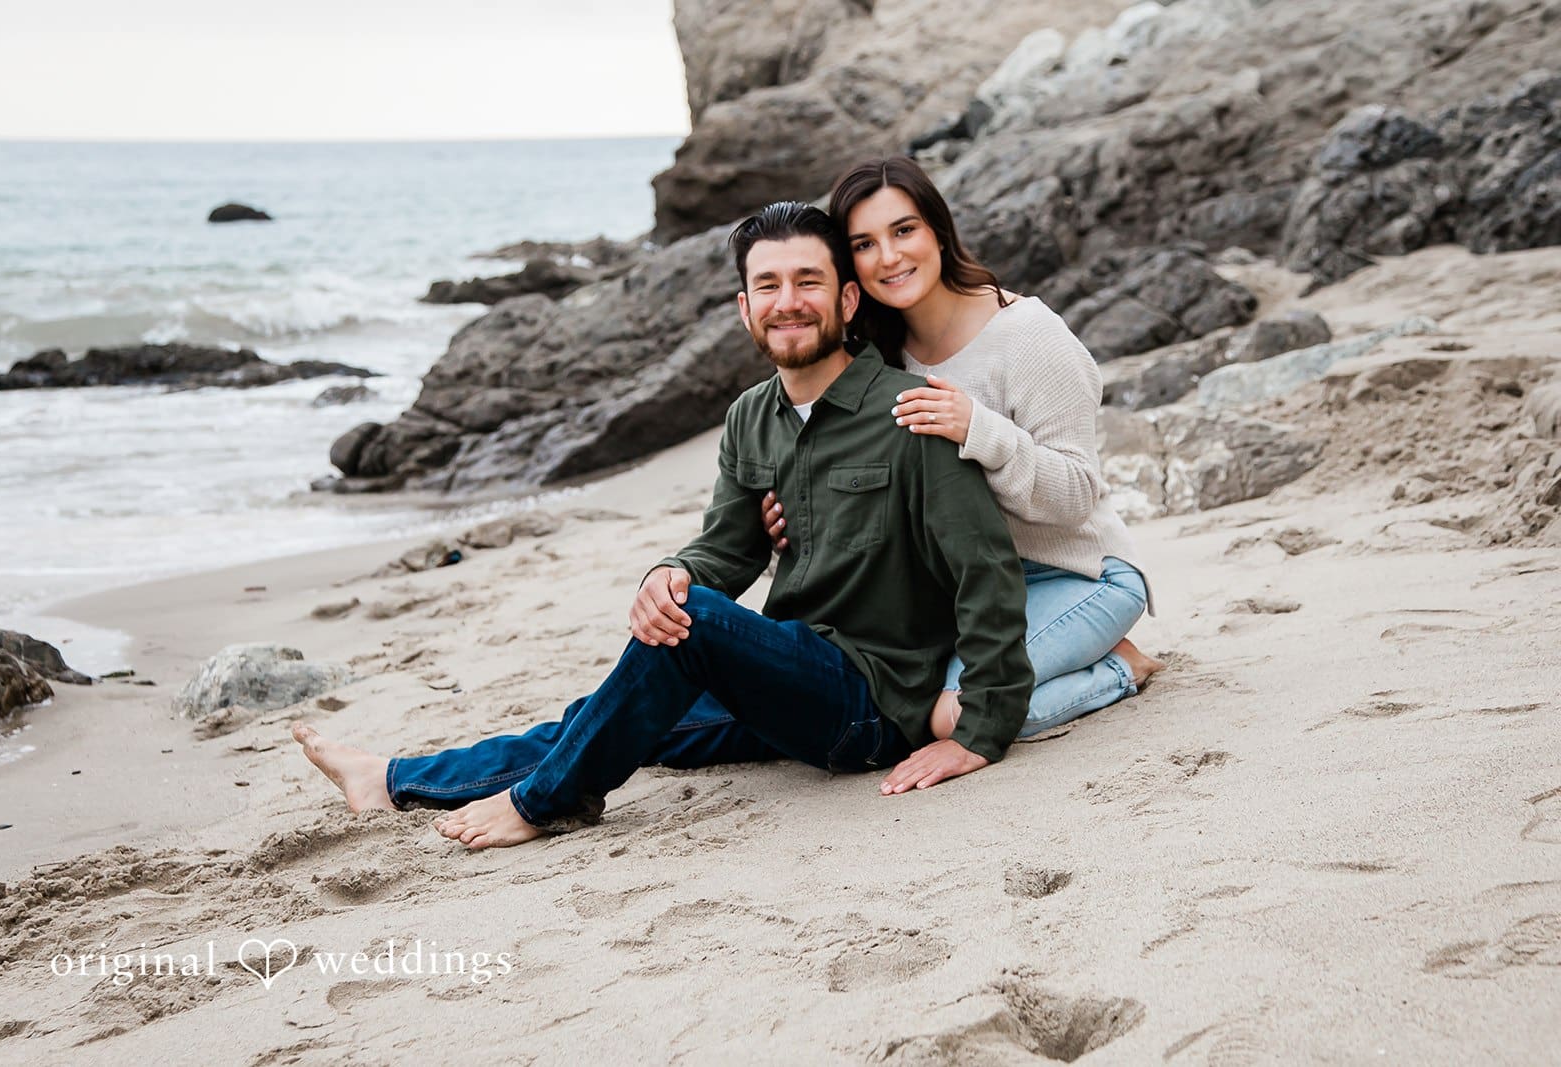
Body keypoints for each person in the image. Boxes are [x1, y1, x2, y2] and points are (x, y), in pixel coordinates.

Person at [292, 201, 1034, 849]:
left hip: (870, 704)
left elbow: (987, 571)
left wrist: (980, 734)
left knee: (687, 626)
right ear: (745, 309)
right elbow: (727, 547)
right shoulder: (751, 416)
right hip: (783, 678)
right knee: (605, 716)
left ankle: (540, 805)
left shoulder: (912, 409)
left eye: (808, 282)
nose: (789, 301)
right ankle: (391, 780)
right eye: (767, 285)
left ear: (845, 299)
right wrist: (665, 573)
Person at [762, 157, 1163, 744]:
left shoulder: (1028, 334)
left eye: (904, 231)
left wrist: (981, 429)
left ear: (938, 231)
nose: (891, 257)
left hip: (1076, 574)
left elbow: (1077, 497)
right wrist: (787, 531)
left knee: (959, 719)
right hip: (963, 598)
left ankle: (1120, 666)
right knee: (893, 705)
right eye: (865, 244)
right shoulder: (876, 359)